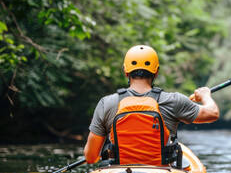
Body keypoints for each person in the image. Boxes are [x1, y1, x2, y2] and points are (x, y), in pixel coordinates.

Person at [84, 45, 219, 164]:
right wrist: (205, 95)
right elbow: (213, 113)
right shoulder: (174, 101)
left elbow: (91, 157)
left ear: (126, 71)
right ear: (156, 72)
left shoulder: (106, 104)